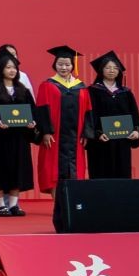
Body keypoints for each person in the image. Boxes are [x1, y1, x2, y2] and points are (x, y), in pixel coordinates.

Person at [0, 50, 47, 217]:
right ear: (0, 69)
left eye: (14, 67)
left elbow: (32, 111)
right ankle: (0, 205)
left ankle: (13, 204)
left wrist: (32, 124)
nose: (12, 70)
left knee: (18, 167)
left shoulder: (23, 90)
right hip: (1, 138)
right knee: (0, 168)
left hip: (19, 136)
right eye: (8, 67)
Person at [35, 46, 92, 194]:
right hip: (54, 137)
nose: (64, 67)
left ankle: (71, 203)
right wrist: (46, 132)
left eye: (67, 64)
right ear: (55, 65)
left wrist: (86, 133)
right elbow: (42, 110)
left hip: (75, 137)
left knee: (75, 171)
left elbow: (88, 111)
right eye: (60, 64)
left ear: (73, 66)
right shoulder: (47, 85)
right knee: (54, 171)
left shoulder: (81, 87)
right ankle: (57, 204)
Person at [83, 51, 139, 179]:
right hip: (101, 143)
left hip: (122, 142)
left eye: (115, 68)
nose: (112, 71)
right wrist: (97, 134)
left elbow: (135, 116)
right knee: (101, 177)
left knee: (122, 177)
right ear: (101, 70)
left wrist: (137, 131)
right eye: (108, 67)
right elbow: (88, 118)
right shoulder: (92, 91)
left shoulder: (125, 93)